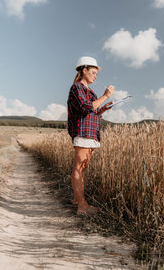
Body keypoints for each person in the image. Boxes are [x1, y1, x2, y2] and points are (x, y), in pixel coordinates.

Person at [67, 56, 114, 214]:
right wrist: (105, 96)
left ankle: (77, 199)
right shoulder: (77, 88)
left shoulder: (90, 91)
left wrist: (102, 109)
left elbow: (92, 111)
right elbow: (85, 108)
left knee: (82, 168)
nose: (95, 76)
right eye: (93, 72)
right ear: (84, 70)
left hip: (91, 132)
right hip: (83, 132)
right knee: (78, 168)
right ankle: (82, 206)